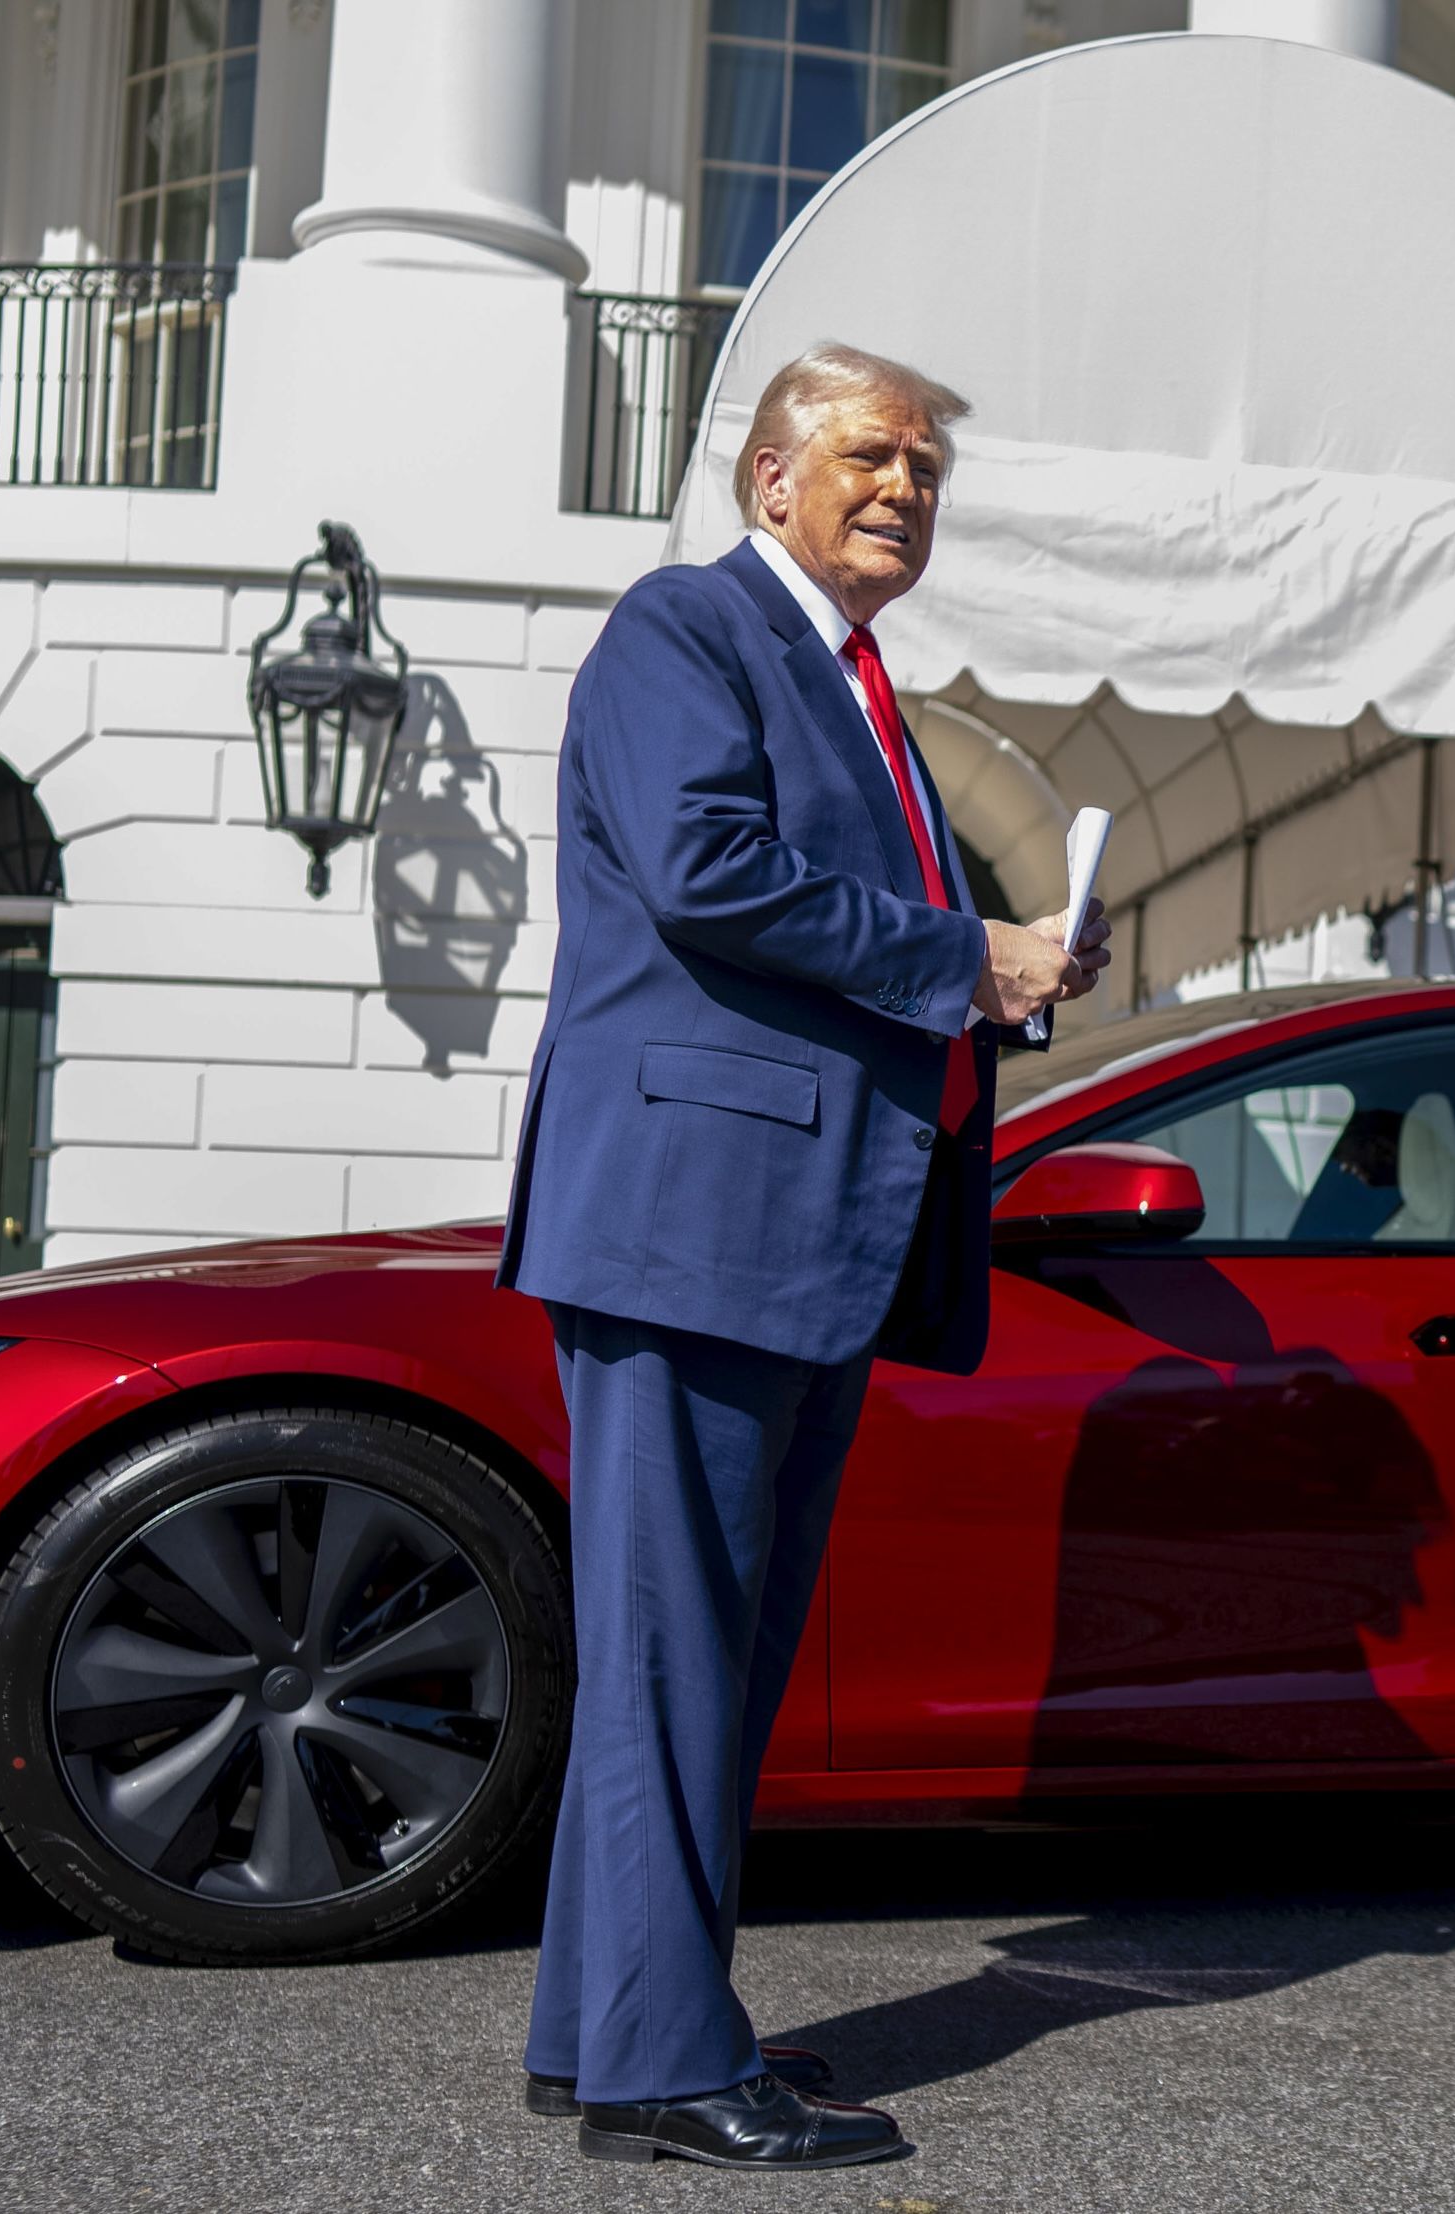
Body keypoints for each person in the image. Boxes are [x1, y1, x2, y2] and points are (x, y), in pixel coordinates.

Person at [498, 341, 1108, 2169]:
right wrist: (964, 955)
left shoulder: (861, 688)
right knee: (684, 1651)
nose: (905, 489)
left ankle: (605, 2031)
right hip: (697, 1223)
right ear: (770, 476)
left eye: (928, 469)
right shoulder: (688, 628)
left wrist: (1009, 974)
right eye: (871, 456)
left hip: (792, 1236)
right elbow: (706, 870)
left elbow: (829, 925)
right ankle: (664, 2068)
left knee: (702, 1655)